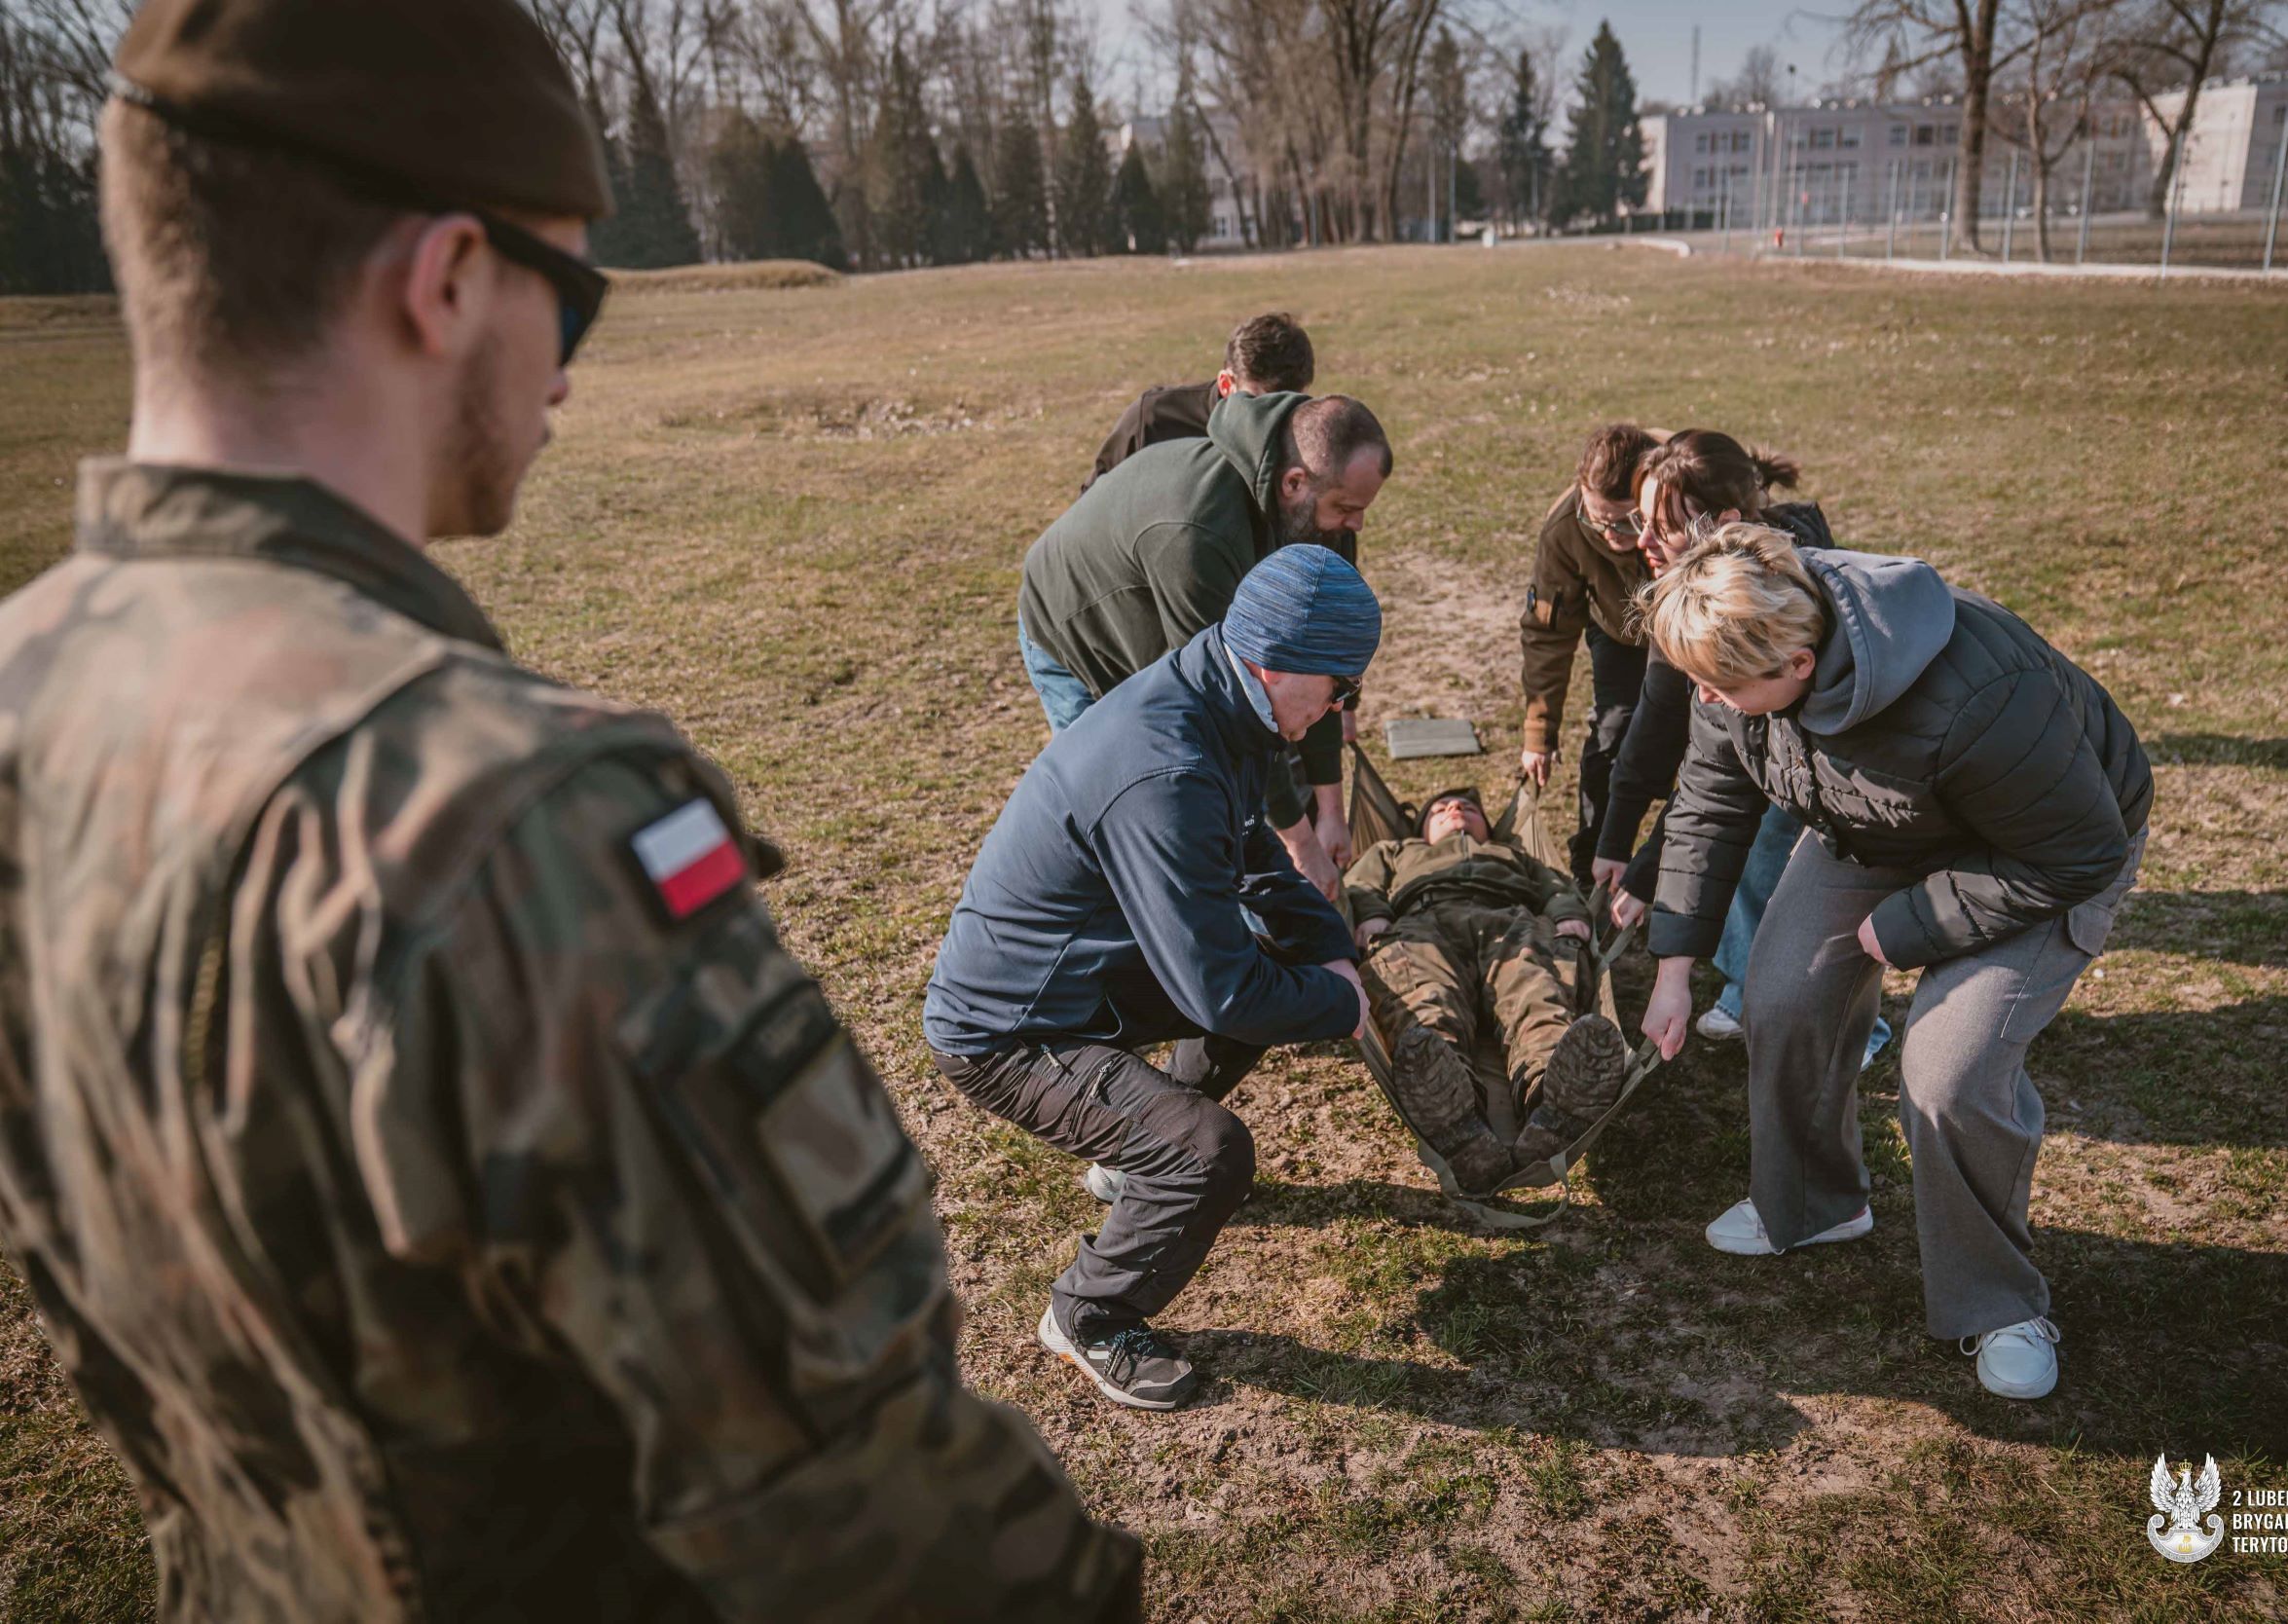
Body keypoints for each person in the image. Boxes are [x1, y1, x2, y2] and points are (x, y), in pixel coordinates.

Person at [0, 3, 1140, 1618]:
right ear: (447, 279)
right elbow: (865, 1510)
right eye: (574, 293)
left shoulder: (27, 685)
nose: (569, 374)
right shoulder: (505, 819)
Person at [1635, 524, 2151, 1403]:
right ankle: (1811, 1205)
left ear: (1797, 665)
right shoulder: (1730, 666)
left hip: (2042, 849)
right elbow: (1709, 804)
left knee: (1949, 1070)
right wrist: (1675, 964)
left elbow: (2078, 853)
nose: (1704, 698)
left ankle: (1999, 1303)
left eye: (1719, 686)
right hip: (1876, 819)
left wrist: (1910, 924)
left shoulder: (1981, 690)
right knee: (1782, 994)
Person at [927, 546, 1378, 1411]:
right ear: (1280, 661)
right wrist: (1338, 1002)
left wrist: (1326, 946)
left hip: (1079, 975)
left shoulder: (1219, 697)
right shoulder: (1166, 767)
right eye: (1340, 688)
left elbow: (1250, 852)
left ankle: (1136, 1156)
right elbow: (1224, 994)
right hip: (1008, 1029)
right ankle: (1090, 1314)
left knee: (1265, 977)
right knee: (1210, 1152)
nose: (1340, 710)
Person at [1590, 429, 1892, 1068]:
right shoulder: (1687, 589)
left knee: (1786, 871)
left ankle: (1856, 1028)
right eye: (1639, 519)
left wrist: (1647, 868)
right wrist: (1620, 845)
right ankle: (1749, 983)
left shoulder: (1776, 598)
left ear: (1724, 522)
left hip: (1824, 765)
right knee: (1740, 857)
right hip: (1760, 761)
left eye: (1659, 525)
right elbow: (1665, 729)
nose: (1641, 540)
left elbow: (1728, 787)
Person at [1018, 390, 1392, 899]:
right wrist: (1299, 843)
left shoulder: (1318, 514)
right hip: (1076, 627)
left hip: (1164, 612)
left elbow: (1323, 659)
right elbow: (1229, 703)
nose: (1357, 525)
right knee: (1138, 800)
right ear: (1294, 483)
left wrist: (1329, 808)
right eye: (1347, 508)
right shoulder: (1199, 531)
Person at [1347, 789, 1629, 1193]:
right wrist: (1373, 915)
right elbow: (1360, 884)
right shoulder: (1394, 850)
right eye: (1441, 810)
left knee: (1536, 990)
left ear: (1488, 825)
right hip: (1424, 922)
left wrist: (1567, 914)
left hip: (1511, 920)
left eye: (1468, 807)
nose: (1455, 810)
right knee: (1424, 1000)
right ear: (1421, 828)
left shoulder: (1512, 853)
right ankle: (1456, 1117)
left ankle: (1550, 1099)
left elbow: (1557, 886)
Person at [1517, 422, 1667, 886]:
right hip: (1619, 630)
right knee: (1611, 734)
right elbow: (1548, 633)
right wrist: (1539, 732)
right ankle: (1596, 862)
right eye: (1596, 519)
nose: (1609, 535)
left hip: (1692, 629)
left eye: (1625, 521)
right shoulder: (1565, 528)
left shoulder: (1685, 503)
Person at [1086, 311, 1316, 491]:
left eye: (1289, 404)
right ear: (1227, 384)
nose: (1274, 417)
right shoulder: (1155, 419)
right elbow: (1093, 502)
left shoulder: (1305, 434)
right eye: (1260, 404)